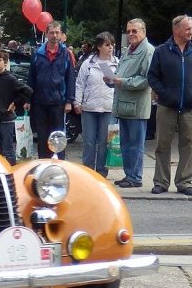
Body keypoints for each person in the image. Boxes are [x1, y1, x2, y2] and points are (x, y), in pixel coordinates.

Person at [147, 15, 192, 196]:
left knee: (188, 145)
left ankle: (184, 182)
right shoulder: (161, 51)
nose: (191, 31)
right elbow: (153, 76)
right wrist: (165, 94)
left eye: (191, 28)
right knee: (163, 144)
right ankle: (161, 181)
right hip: (167, 106)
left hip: (190, 107)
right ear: (176, 30)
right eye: (187, 28)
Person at [111, 18, 154, 188]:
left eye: (134, 31)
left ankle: (135, 177)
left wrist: (122, 81)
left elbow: (146, 79)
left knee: (135, 144)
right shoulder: (128, 50)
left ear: (143, 31)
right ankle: (129, 174)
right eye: (128, 31)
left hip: (137, 107)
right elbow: (121, 72)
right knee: (126, 144)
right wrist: (112, 78)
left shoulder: (148, 51)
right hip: (124, 105)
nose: (130, 34)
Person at [25, 20, 76, 159]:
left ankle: (60, 164)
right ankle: (43, 163)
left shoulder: (66, 54)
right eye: (51, 32)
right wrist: (28, 99)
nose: (54, 35)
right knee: (42, 137)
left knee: (58, 136)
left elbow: (70, 78)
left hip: (58, 102)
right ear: (46, 34)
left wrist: (69, 101)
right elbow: (31, 77)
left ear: (60, 35)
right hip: (40, 102)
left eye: (57, 33)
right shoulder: (37, 53)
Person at [74, 31, 119, 177]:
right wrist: (77, 102)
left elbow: (120, 86)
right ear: (99, 46)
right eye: (107, 44)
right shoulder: (88, 63)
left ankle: (101, 172)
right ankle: (87, 172)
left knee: (105, 142)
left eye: (112, 44)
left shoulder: (117, 63)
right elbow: (80, 83)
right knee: (89, 141)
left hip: (108, 107)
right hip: (89, 107)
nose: (110, 47)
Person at [0, 49, 32, 165]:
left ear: (5, 63)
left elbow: (27, 91)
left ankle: (12, 172)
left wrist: (15, 103)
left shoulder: (10, 79)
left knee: (8, 149)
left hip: (6, 119)